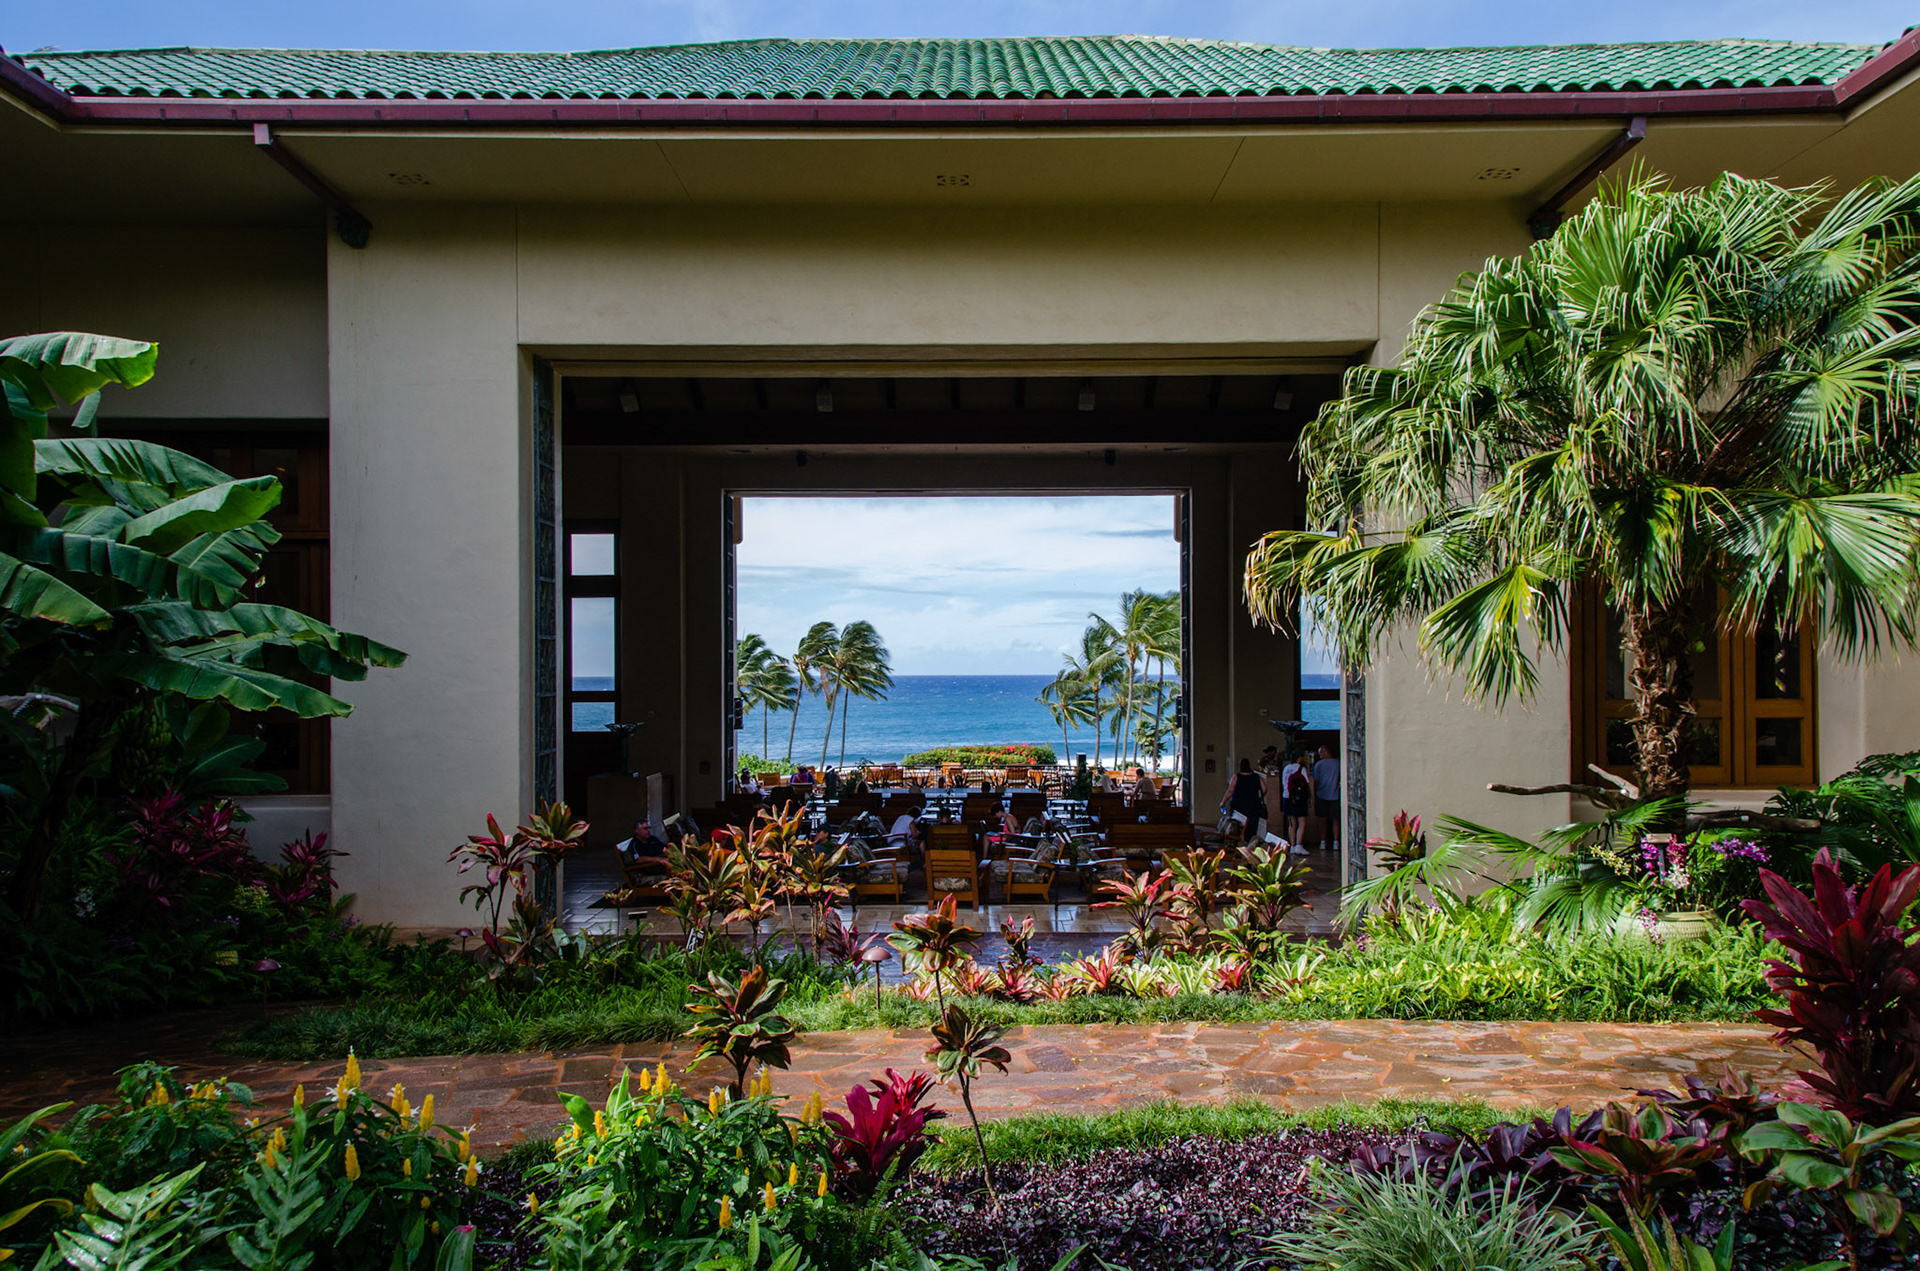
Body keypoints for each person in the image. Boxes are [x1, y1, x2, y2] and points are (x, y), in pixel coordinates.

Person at [1225, 757, 1266, 848]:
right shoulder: (1256, 776)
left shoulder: (1237, 777)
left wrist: (1223, 801)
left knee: (1237, 828)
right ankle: (1250, 847)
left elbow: (1230, 790)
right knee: (1251, 829)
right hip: (1254, 806)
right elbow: (1264, 788)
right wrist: (1260, 797)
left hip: (1239, 806)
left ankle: (1237, 847)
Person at [1313, 744, 1341, 853]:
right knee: (1335, 820)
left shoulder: (1319, 765)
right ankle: (1336, 842)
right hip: (1335, 795)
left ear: (1326, 752)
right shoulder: (1338, 764)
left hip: (1322, 794)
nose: (1319, 755)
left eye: (1321, 752)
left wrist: (1314, 793)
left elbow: (1316, 781)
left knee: (1322, 820)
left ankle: (1323, 842)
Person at [1282, 750, 1312, 849]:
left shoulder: (1286, 768)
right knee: (1302, 822)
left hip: (1287, 797)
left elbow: (1284, 783)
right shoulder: (1301, 768)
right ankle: (1299, 845)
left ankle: (1292, 846)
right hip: (1299, 799)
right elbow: (1307, 783)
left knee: (1291, 823)